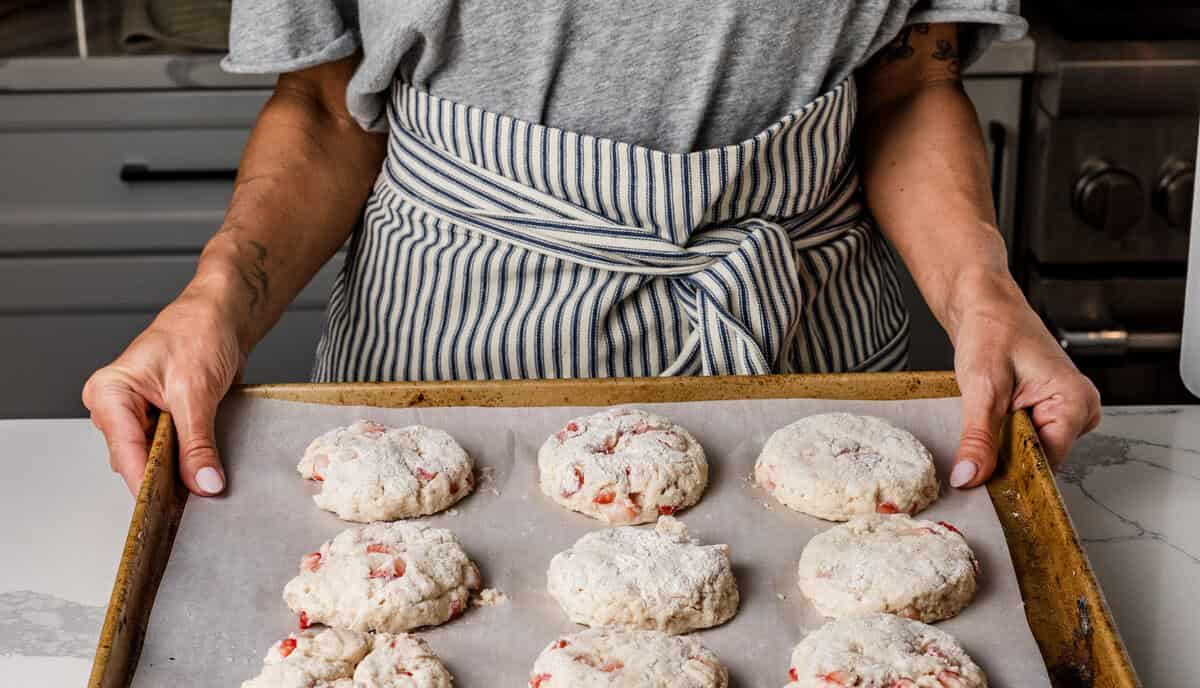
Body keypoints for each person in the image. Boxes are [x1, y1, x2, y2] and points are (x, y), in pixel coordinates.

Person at [83, 1, 1100, 498]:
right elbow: (323, 102)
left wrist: (982, 295)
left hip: (803, 342)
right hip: (446, 348)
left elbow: (912, 79)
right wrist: (213, 298)